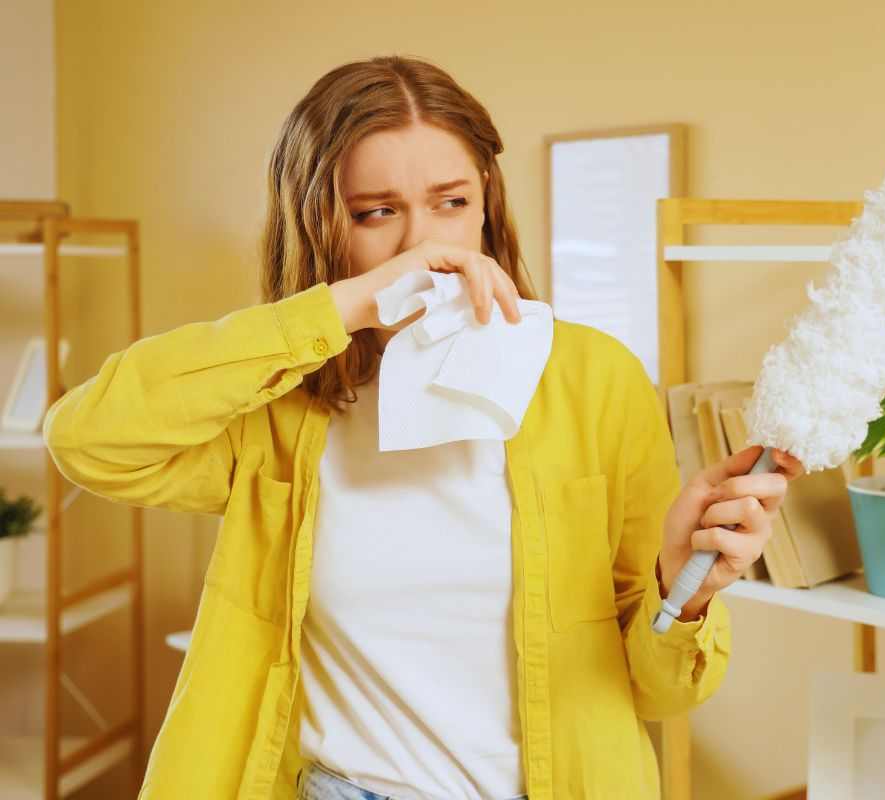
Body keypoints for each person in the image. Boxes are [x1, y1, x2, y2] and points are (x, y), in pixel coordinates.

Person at [43, 55, 802, 800]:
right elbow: (87, 438)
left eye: (450, 203)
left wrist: (683, 587)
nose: (421, 247)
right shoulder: (278, 410)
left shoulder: (594, 380)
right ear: (318, 227)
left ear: (487, 205)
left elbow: (662, 692)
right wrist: (340, 309)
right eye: (375, 213)